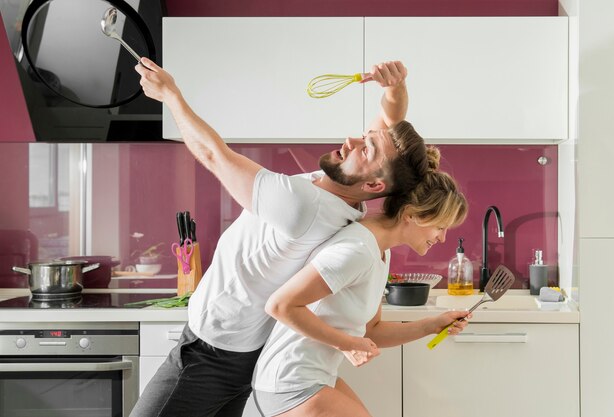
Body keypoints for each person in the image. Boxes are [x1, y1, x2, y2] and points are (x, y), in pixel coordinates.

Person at [131, 57, 429, 417]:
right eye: (364, 138)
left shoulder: (300, 204)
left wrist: (171, 96)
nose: (352, 140)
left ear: (373, 185)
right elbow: (387, 131)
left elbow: (212, 154)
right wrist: (395, 90)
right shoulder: (349, 202)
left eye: (365, 148)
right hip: (247, 351)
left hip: (209, 351)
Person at [252, 146, 470, 417]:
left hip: (311, 377)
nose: (442, 238)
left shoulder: (380, 250)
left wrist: (430, 325)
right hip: (288, 382)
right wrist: (346, 343)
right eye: (440, 226)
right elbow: (281, 306)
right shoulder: (357, 249)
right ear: (412, 214)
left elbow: (371, 330)